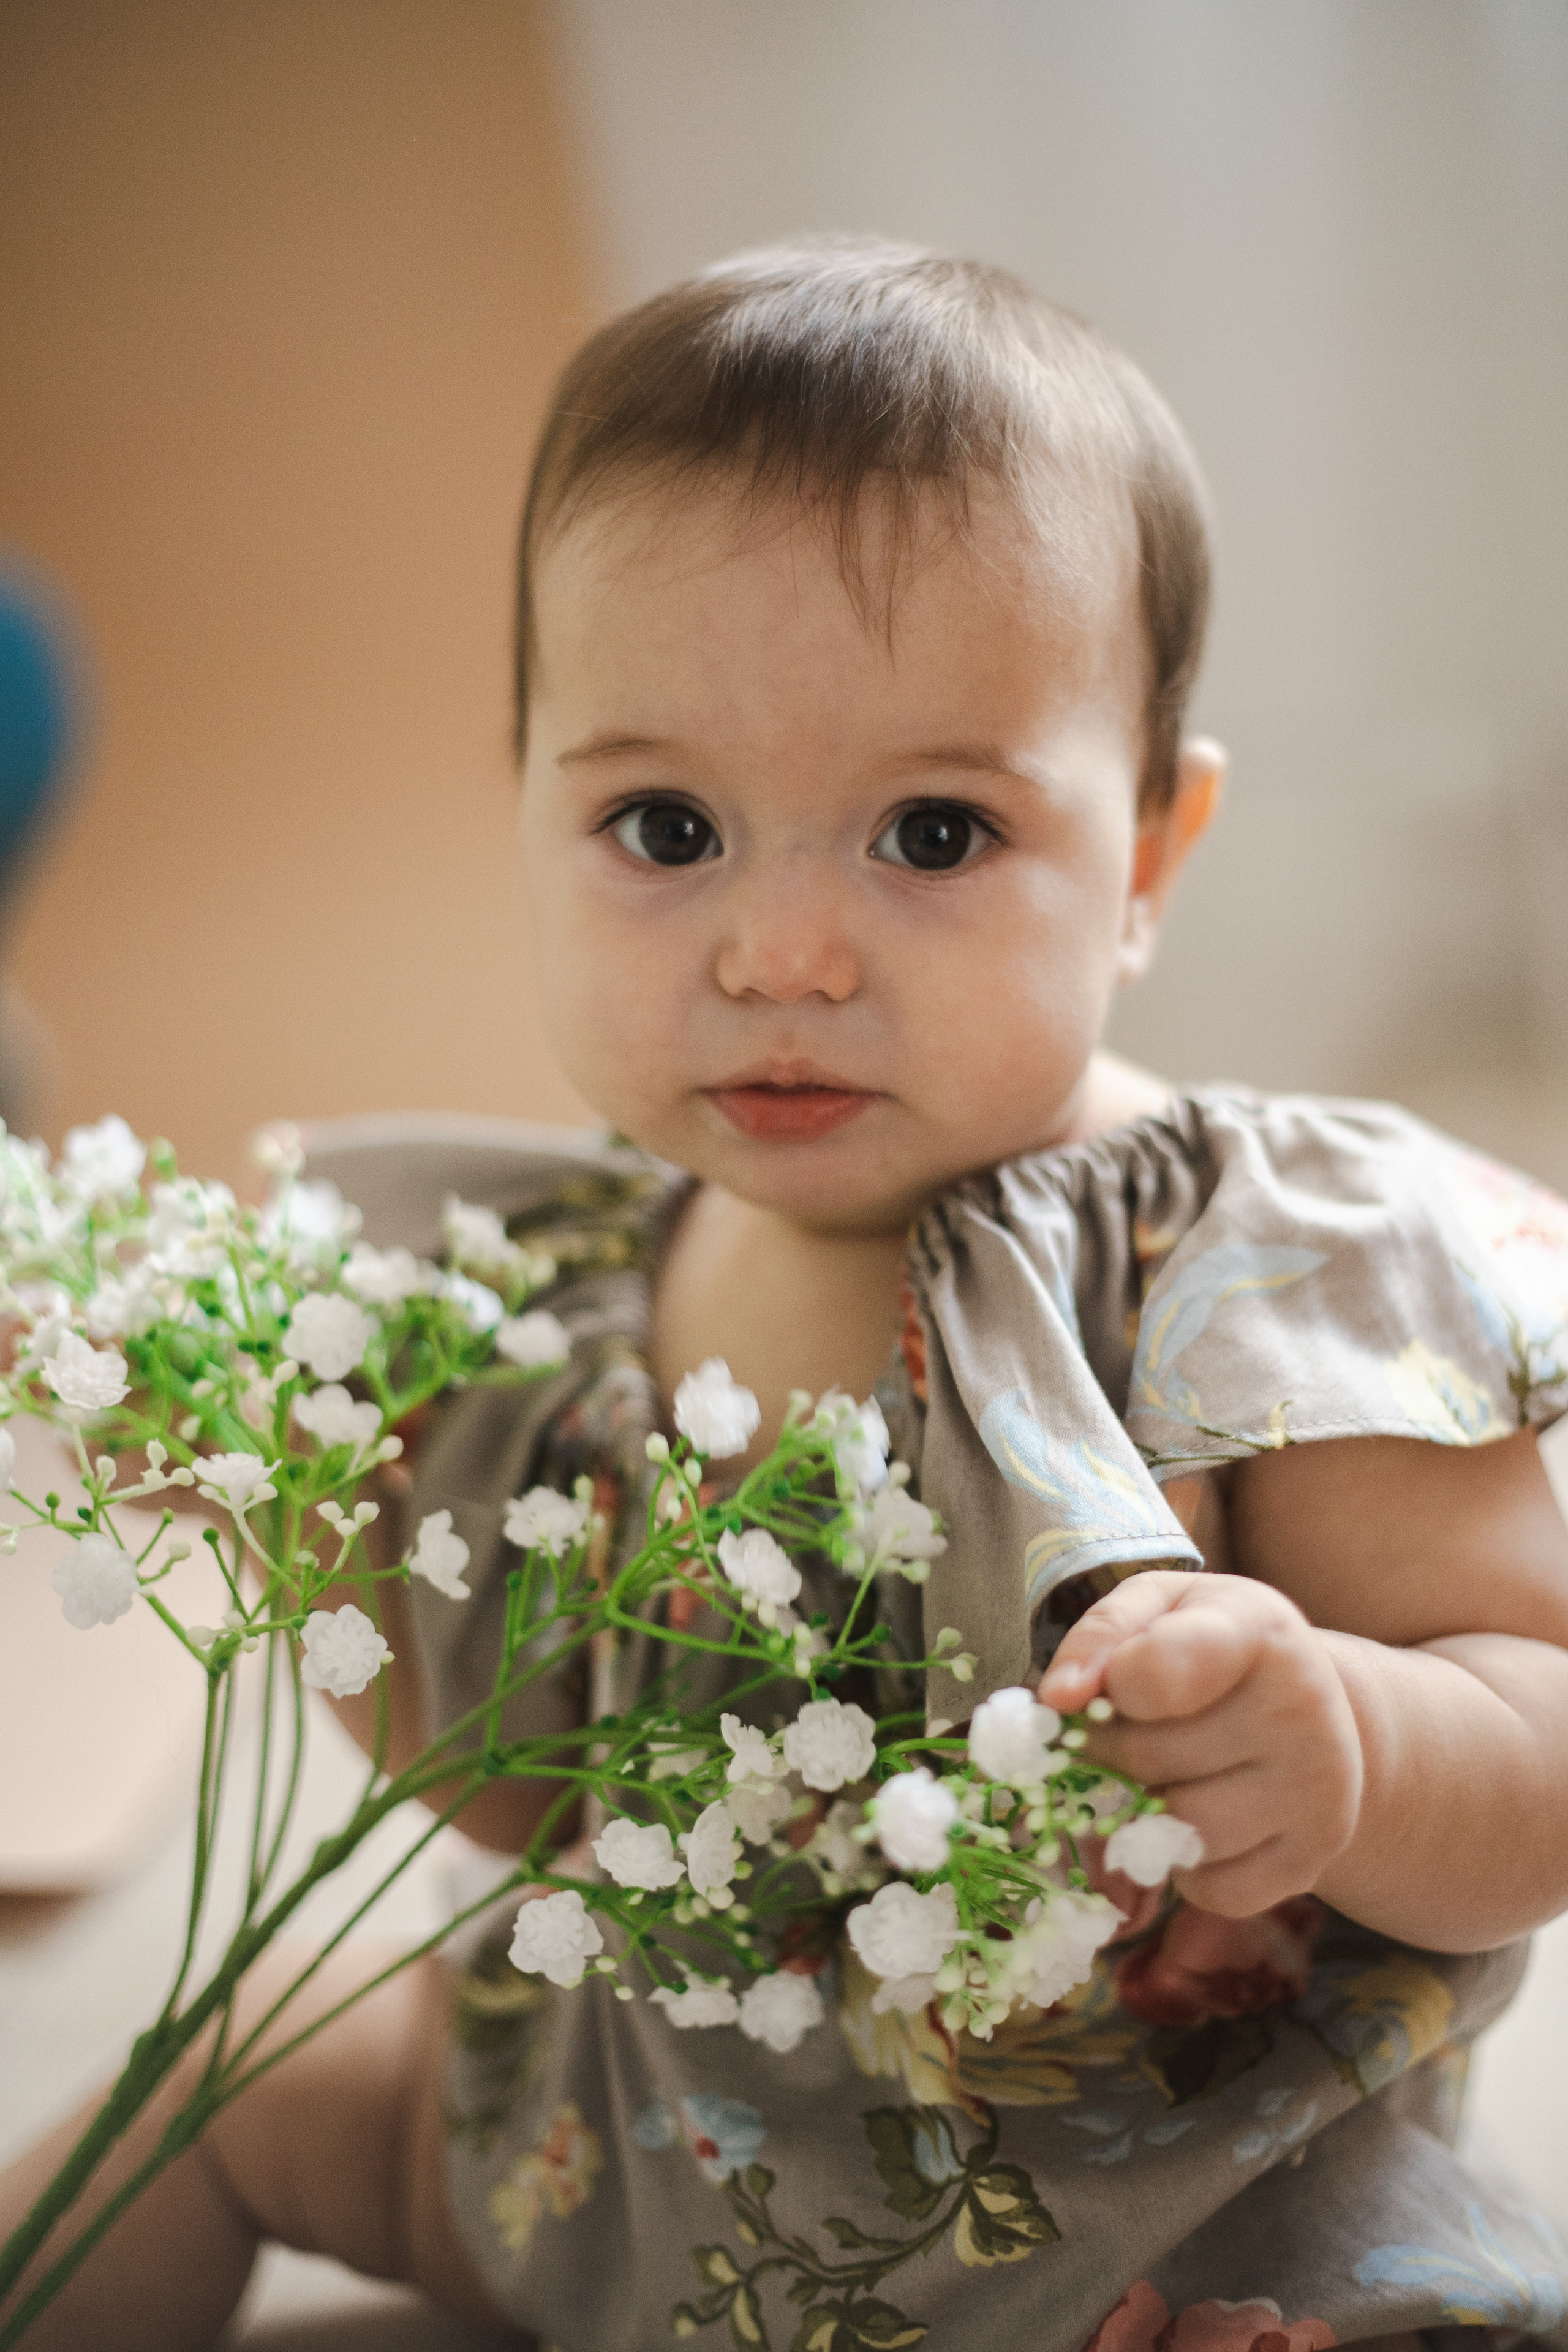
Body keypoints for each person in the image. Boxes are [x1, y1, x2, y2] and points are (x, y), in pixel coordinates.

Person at [7, 239, 1568, 2352]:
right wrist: (285, 1520)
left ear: (1147, 858)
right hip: (636, 2134)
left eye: (932, 833)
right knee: (219, 2069)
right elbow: (534, 1788)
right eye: (668, 827)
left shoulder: (1251, 1268)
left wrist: (1360, 1748)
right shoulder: (570, 1288)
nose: (783, 956)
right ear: (526, 802)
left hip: (1151, 2218)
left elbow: (1540, 1729)